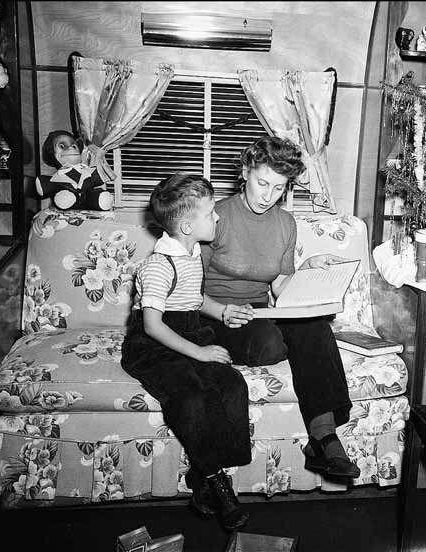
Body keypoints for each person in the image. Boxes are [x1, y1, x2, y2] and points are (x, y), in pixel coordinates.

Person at [202, 136, 360, 480]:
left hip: (259, 310)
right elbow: (185, 288)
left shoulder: (285, 224)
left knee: (315, 326)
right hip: (214, 314)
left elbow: (279, 286)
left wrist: (310, 270)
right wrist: (221, 312)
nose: (268, 195)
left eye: (278, 187)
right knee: (271, 343)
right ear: (244, 172)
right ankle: (322, 435)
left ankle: (323, 438)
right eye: (262, 183)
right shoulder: (215, 217)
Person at [121, 173, 255, 531]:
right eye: (211, 212)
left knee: (231, 385)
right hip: (153, 346)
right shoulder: (158, 266)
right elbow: (152, 325)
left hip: (189, 332)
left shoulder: (192, 252)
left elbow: (192, 299)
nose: (217, 217)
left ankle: (204, 471)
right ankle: (215, 482)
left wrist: (222, 311)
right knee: (190, 398)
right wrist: (198, 354)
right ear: (185, 225)